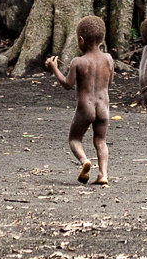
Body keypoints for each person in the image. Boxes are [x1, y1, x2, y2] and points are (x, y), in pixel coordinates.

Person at [45, 15, 115, 184]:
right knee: (101, 141)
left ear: (81, 40)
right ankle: (103, 175)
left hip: (86, 108)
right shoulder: (108, 59)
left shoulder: (78, 61)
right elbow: (110, 81)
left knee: (74, 139)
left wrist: (54, 69)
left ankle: (85, 161)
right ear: (103, 38)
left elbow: (68, 84)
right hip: (104, 108)